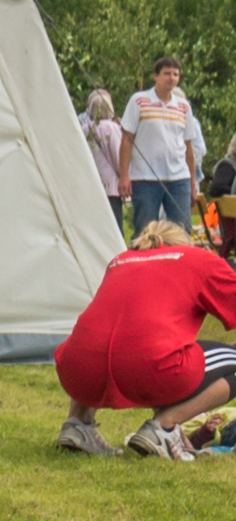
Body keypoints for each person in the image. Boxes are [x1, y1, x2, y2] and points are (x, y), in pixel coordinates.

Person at [55, 219, 236, 461]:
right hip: (148, 367)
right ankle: (164, 428)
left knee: (99, 343)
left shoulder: (121, 260)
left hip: (75, 371)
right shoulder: (197, 258)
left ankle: (78, 423)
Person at [118, 57, 205, 236]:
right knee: (145, 230)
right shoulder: (139, 101)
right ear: (155, 76)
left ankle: (178, 255)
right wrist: (124, 175)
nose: (171, 78)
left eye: (175, 74)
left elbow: (188, 146)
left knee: (181, 230)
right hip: (145, 177)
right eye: (166, 74)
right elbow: (126, 140)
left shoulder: (183, 107)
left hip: (178, 177)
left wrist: (192, 182)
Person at [84, 90, 125, 228]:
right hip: (111, 185)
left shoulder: (84, 129)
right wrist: (124, 175)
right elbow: (118, 156)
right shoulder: (112, 128)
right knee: (114, 225)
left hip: (91, 183)